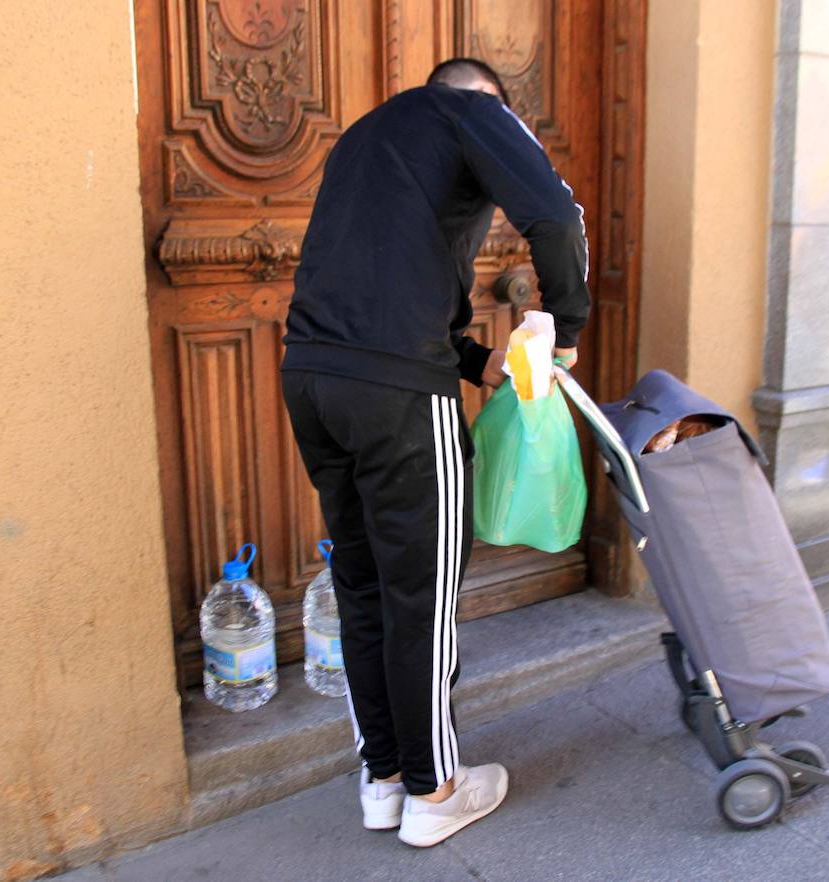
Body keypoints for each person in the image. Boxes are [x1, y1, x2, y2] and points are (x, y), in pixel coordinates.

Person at [280, 58, 592, 847]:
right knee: (420, 595)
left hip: (314, 380)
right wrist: (569, 330)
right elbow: (556, 217)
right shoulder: (472, 111)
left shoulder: (361, 141)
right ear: (489, 103)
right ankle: (435, 791)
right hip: (396, 403)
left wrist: (479, 361)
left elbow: (386, 291)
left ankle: (383, 779)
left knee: (363, 585)